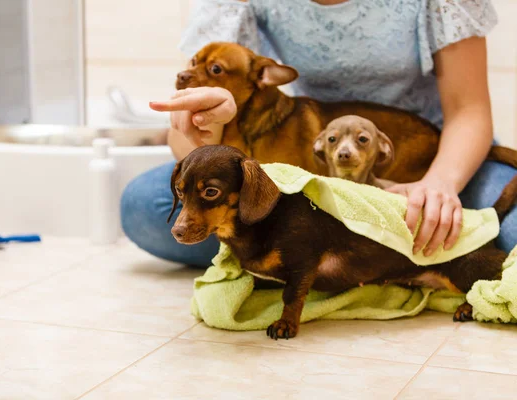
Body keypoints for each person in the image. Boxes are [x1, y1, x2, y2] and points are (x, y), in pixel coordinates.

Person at [121, 0, 517, 267]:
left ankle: (326, 253)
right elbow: (183, 140)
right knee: (145, 208)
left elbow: (469, 111)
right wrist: (207, 125)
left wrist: (440, 184)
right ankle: (361, 253)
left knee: (513, 230)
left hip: (436, 158)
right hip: (315, 160)